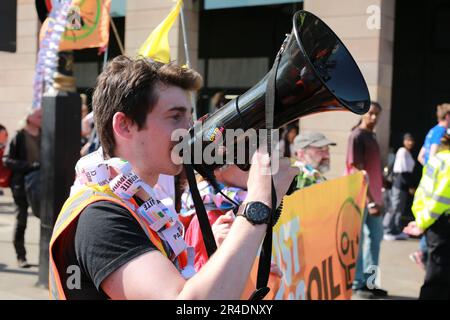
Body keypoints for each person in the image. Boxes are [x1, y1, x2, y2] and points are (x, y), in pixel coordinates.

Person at [48, 56, 297, 300]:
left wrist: (224, 259)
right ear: (124, 125)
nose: (189, 129)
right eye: (175, 116)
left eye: (189, 116)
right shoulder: (101, 217)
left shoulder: (139, 204)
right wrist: (258, 202)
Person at [346, 101, 388, 299]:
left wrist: (383, 187)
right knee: (360, 240)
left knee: (375, 240)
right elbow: (356, 170)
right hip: (362, 198)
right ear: (363, 113)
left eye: (377, 114)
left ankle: (370, 283)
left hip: (375, 199)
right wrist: (371, 201)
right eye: (371, 113)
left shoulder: (372, 136)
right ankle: (358, 284)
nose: (374, 117)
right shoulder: (357, 136)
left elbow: (371, 169)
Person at [403, 130, 450, 299]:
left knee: (436, 274)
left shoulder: (437, 160)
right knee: (438, 279)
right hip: (443, 224)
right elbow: (441, 199)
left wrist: (421, 219)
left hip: (433, 224)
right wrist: (423, 222)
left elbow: (423, 192)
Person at [413, 103, 450, 269]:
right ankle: (422, 253)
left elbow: (422, 156)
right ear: (447, 116)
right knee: (435, 219)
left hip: (428, 183)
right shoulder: (442, 132)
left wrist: (430, 169)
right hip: (439, 183)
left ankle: (422, 252)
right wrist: (438, 168)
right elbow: (435, 154)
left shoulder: (431, 131)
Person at [3, 109, 42, 268]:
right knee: (22, 221)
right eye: (39, 116)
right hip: (21, 184)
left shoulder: (46, 133)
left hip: (41, 184)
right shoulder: (18, 135)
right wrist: (29, 166)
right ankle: (21, 256)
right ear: (29, 118)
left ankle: (46, 257)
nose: (42, 118)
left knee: (46, 220)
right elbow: (7, 160)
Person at [383, 133, 416, 240]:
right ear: (404, 141)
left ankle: (396, 230)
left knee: (400, 209)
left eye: (411, 140)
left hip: (404, 186)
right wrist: (411, 186)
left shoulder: (408, 153)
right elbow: (402, 172)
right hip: (399, 185)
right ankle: (386, 229)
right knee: (394, 207)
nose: (410, 142)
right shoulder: (402, 151)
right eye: (408, 140)